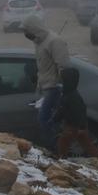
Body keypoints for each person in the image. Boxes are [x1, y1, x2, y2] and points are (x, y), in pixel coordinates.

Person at [22, 15, 70, 146]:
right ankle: (59, 147)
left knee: (45, 120)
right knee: (52, 121)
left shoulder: (54, 41)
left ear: (35, 28)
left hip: (54, 88)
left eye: (27, 31)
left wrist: (62, 87)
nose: (26, 34)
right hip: (43, 87)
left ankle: (56, 148)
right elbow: (44, 66)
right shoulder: (39, 42)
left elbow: (64, 67)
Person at [53, 66, 98, 159]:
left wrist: (81, 127)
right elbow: (63, 109)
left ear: (67, 80)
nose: (60, 81)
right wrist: (56, 118)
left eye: (62, 79)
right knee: (86, 144)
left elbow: (79, 111)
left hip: (73, 126)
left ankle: (61, 159)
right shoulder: (68, 93)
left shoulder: (72, 96)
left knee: (63, 142)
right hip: (75, 125)